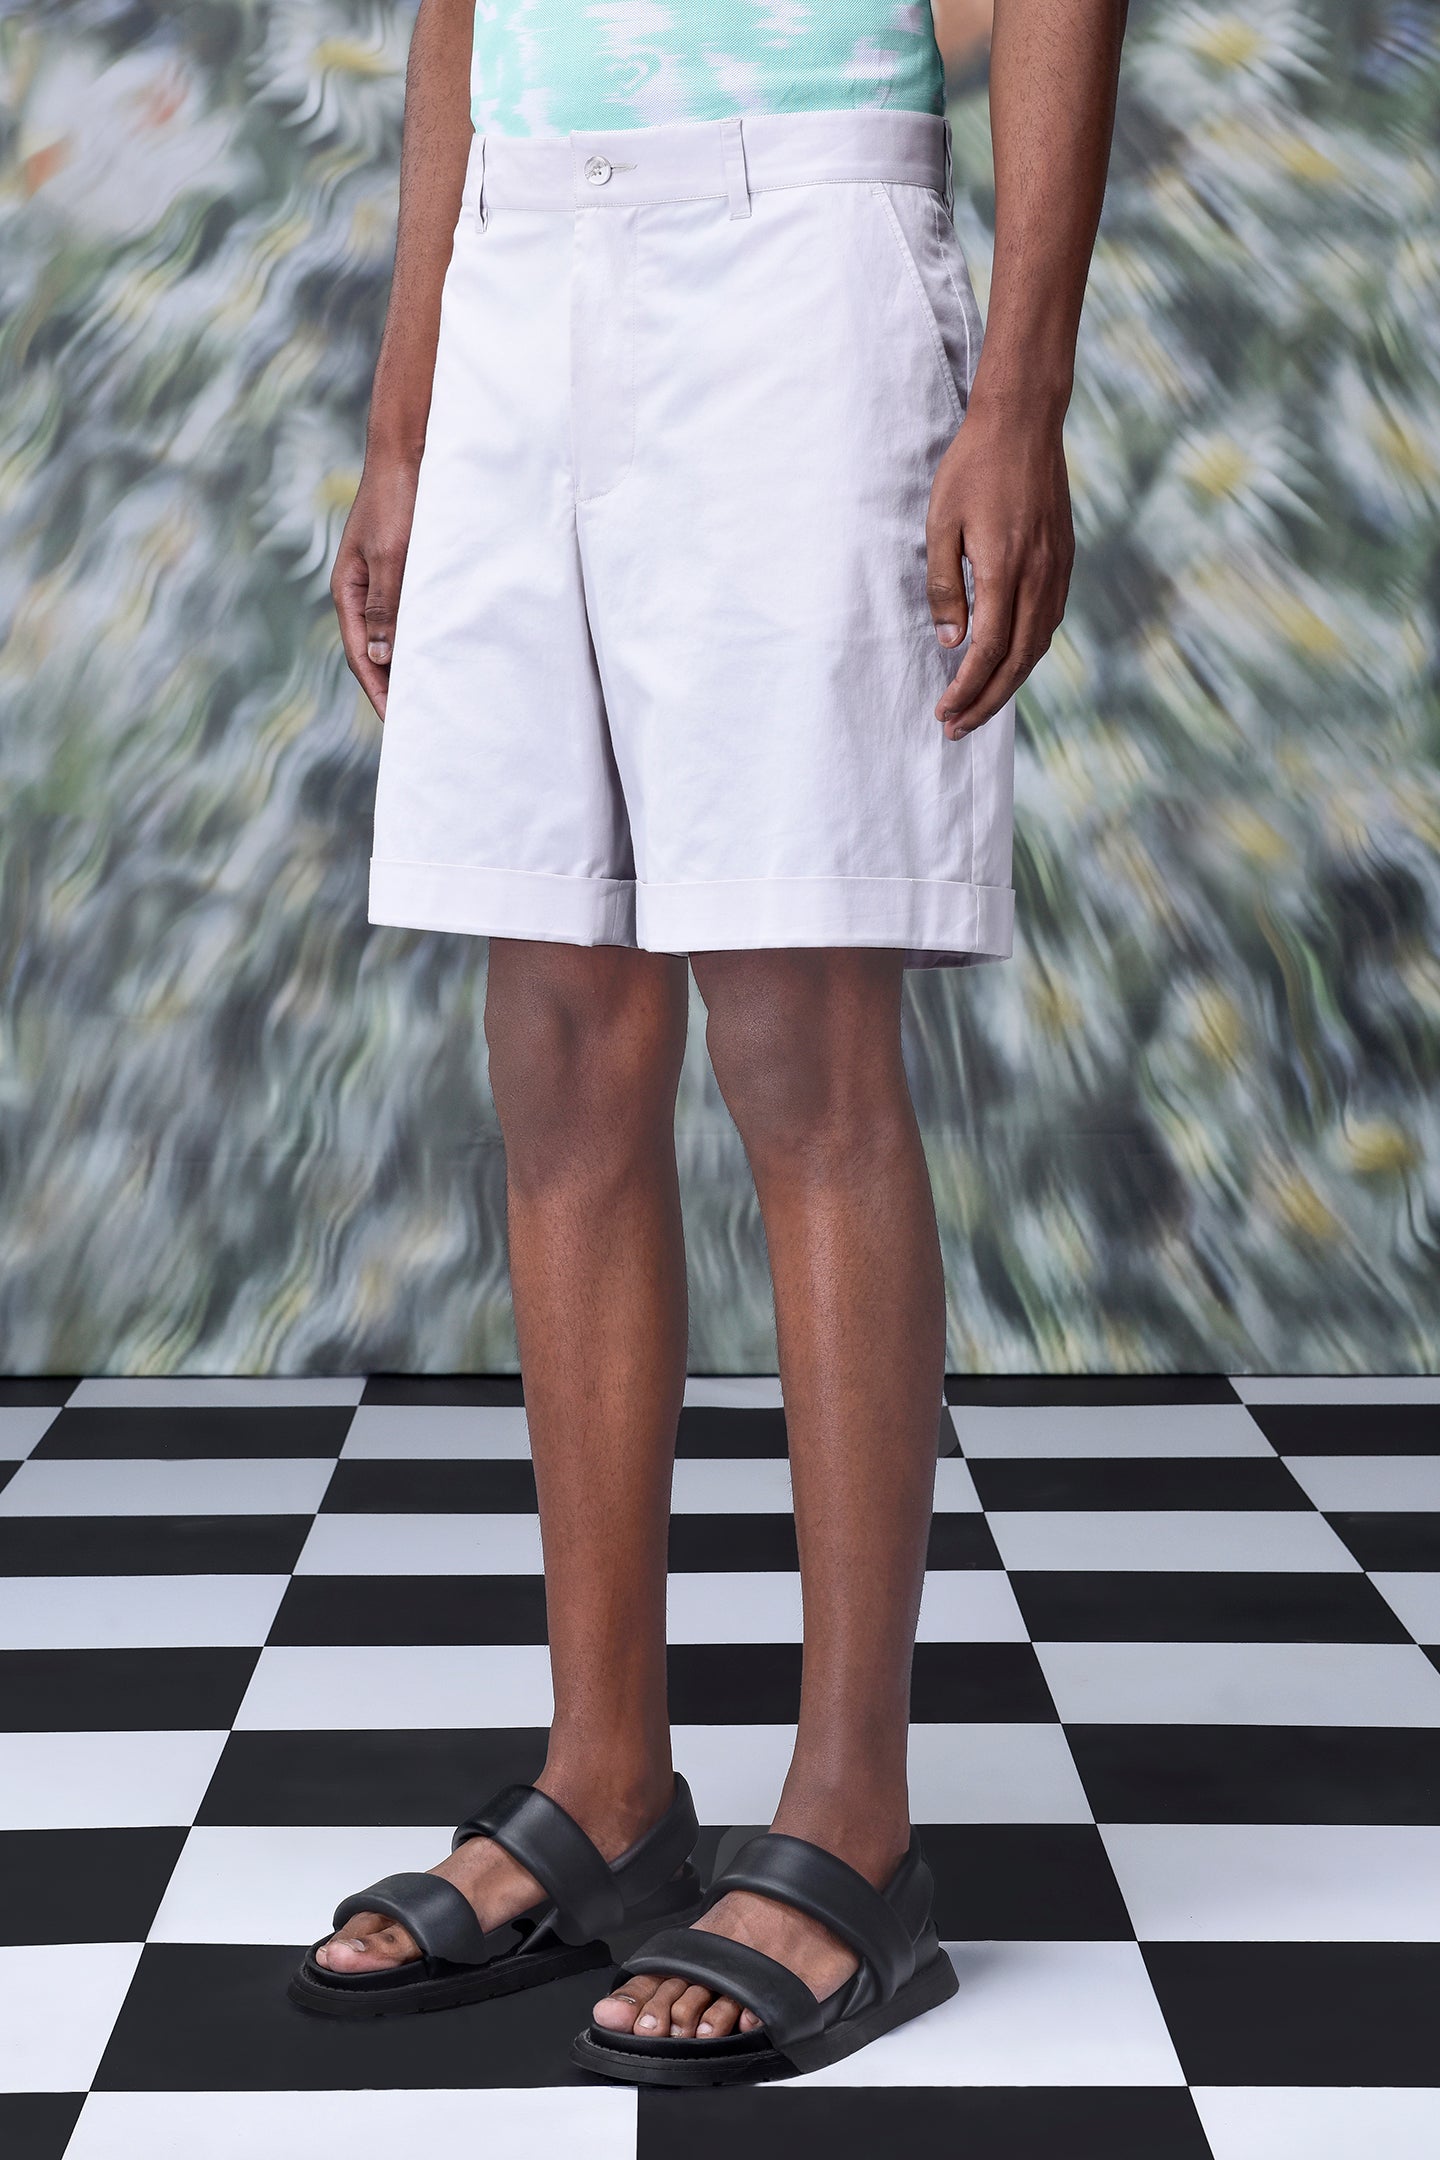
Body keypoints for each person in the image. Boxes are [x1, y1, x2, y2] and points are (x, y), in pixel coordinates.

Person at [292, 0, 1125, 2087]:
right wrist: (407, 408)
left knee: (799, 1040)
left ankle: (854, 1815)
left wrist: (1021, 389)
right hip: (522, 260)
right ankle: (606, 1782)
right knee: (561, 1043)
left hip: (802, 245)